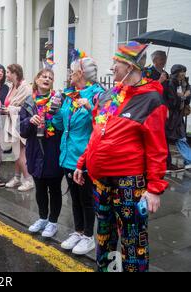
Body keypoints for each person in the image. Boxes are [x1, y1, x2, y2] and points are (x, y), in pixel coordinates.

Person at [74, 42, 168, 272]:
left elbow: (157, 148)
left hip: (129, 182)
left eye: (116, 62)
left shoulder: (151, 100)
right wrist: (82, 162)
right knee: (104, 235)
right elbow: (98, 133)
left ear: (129, 66)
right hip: (100, 180)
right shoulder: (109, 96)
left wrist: (155, 188)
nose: (112, 67)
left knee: (132, 239)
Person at [52, 53, 105, 255]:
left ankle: (88, 237)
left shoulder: (98, 94)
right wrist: (55, 110)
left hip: (85, 157)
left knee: (86, 199)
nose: (69, 74)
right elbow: (59, 124)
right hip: (67, 155)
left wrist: (91, 107)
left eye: (71, 71)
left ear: (80, 73)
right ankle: (78, 231)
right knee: (74, 198)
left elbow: (104, 124)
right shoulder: (70, 94)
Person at [19, 68, 63, 238]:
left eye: (50, 77)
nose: (47, 79)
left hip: (53, 149)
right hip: (35, 150)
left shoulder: (58, 100)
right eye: (43, 76)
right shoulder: (29, 102)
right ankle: (43, 218)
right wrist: (29, 121)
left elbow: (63, 123)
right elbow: (21, 130)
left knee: (54, 188)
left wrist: (56, 113)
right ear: (36, 80)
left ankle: (53, 222)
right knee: (40, 188)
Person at [3, 64, 34, 192]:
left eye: (8, 72)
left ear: (15, 73)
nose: (6, 75)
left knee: (20, 152)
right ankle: (17, 177)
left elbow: (27, 108)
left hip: (21, 123)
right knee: (16, 152)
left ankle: (28, 180)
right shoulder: (12, 86)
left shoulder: (25, 88)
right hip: (12, 122)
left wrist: (9, 109)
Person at [164, 64, 191, 167]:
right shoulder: (171, 83)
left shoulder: (184, 83)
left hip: (178, 116)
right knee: (180, 137)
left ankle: (188, 159)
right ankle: (188, 159)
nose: (183, 73)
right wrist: (183, 97)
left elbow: (187, 100)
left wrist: (185, 96)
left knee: (180, 137)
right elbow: (173, 103)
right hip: (172, 116)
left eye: (184, 71)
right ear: (176, 73)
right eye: (181, 71)